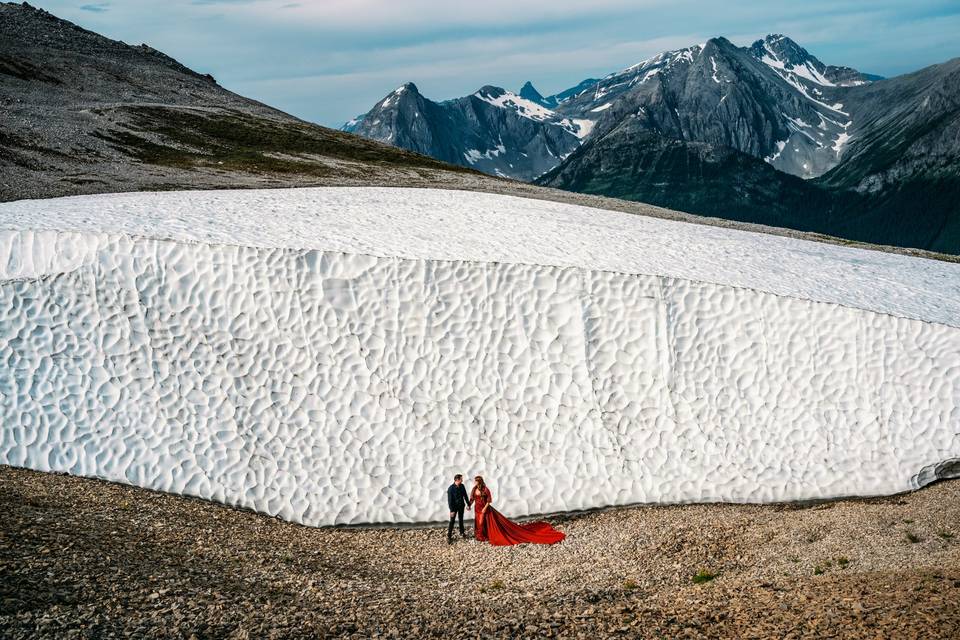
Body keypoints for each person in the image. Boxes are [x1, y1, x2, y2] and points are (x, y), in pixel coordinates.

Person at [471, 475, 565, 546]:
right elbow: (472, 498)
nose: (474, 483)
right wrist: (469, 505)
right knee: (479, 522)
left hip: (484, 508)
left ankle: (482, 536)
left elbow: (489, 500)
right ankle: (481, 536)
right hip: (477, 508)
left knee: (481, 521)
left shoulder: (485, 489)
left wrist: (484, 508)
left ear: (479, 482)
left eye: (475, 482)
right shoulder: (474, 489)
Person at [446, 473, 471, 543]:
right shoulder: (450, 488)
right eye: (461, 479)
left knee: (461, 520)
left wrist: (468, 504)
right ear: (457, 479)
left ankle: (462, 532)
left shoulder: (462, 486)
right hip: (454, 508)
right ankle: (449, 536)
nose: (462, 480)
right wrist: (452, 510)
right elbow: (450, 500)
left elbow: (465, 495)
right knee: (452, 521)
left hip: (461, 506)